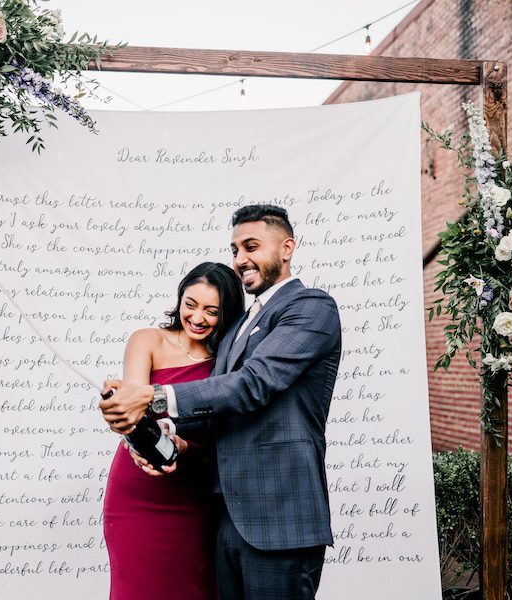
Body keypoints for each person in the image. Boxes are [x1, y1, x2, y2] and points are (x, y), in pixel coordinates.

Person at [101, 204, 342, 600]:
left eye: (251, 246)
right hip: (223, 517)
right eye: (234, 250)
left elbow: (253, 384)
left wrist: (156, 396)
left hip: (280, 519)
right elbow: (218, 416)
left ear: (287, 247)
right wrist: (170, 437)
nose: (240, 259)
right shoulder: (236, 329)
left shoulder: (312, 307)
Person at [103, 262, 244, 600]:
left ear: (226, 313)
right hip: (138, 493)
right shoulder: (147, 339)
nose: (197, 318)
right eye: (190, 305)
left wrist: (184, 447)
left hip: (195, 493)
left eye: (211, 311)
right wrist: (138, 443)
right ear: (180, 300)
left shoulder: (229, 360)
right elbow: (134, 410)